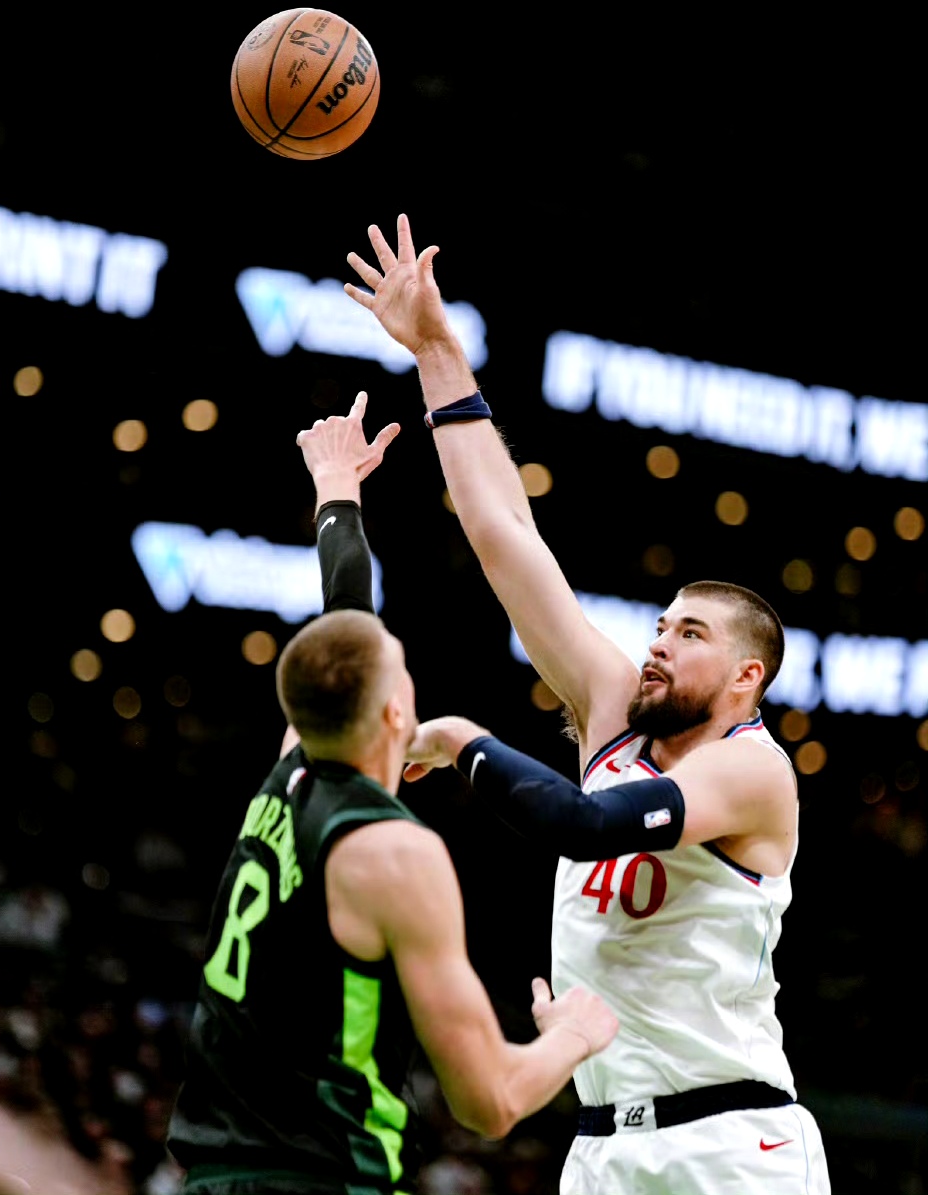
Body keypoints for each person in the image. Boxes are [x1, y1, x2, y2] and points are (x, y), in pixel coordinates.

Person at [343, 216, 833, 1194]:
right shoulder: (616, 711)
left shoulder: (752, 767)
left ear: (748, 679)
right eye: (660, 623)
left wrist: (472, 741)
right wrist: (440, 353)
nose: (658, 641)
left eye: (691, 634)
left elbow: (583, 823)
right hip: (602, 1143)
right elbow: (502, 534)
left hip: (734, 1145)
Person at [164, 393, 619, 1195]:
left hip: (211, 1175)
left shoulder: (287, 772)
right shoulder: (396, 852)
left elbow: (345, 620)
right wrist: (573, 1038)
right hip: (323, 1179)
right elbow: (491, 1101)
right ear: (393, 711)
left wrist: (337, 490)